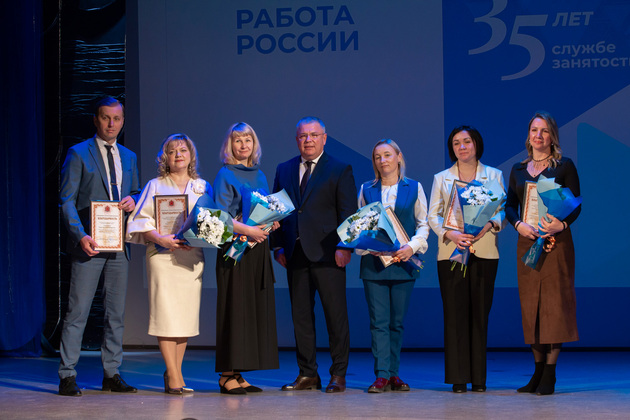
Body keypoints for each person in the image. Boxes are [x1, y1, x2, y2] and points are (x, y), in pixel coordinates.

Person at [58, 96, 140, 396]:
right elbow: (66, 200)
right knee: (78, 311)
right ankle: (67, 374)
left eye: (117, 118)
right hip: (89, 244)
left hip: (118, 245)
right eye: (106, 118)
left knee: (115, 314)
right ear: (96, 120)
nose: (111, 124)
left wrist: (134, 199)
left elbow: (135, 192)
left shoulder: (129, 157)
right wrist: (80, 235)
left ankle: (111, 373)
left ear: (123, 121)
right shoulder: (78, 153)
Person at [272, 116, 357, 393]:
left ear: (324, 138)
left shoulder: (340, 169)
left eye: (313, 135)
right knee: (301, 318)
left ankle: (338, 374)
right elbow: (276, 211)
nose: (308, 140)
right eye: (303, 136)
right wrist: (277, 245)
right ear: (297, 140)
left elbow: (348, 212)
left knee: (335, 317)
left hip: (329, 254)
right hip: (295, 254)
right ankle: (307, 373)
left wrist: (345, 246)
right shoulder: (284, 169)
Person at [126, 133, 209, 394]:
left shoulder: (202, 187)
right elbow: (138, 221)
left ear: (191, 155)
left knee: (183, 318)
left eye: (183, 150)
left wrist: (200, 237)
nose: (178, 155)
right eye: (172, 151)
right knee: (166, 316)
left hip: (191, 259)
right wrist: (160, 238)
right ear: (165, 158)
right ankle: (173, 376)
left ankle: (175, 372)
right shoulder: (155, 185)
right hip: (162, 257)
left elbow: (211, 221)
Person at [505, 111, 581, 396]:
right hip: (528, 242)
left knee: (554, 306)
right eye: (534, 130)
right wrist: (519, 225)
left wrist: (562, 224)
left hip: (555, 244)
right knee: (531, 307)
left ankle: (550, 372)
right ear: (528, 136)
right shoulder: (518, 169)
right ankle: (537, 371)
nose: (539, 135)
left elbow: (575, 203)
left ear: (552, 136)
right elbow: (509, 205)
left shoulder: (564, 166)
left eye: (545, 130)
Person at [428, 125, 505, 393]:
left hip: (484, 251)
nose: (462, 147)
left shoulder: (493, 175)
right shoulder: (441, 178)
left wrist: (489, 225)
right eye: (456, 143)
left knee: (480, 315)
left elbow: (502, 210)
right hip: (451, 252)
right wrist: (451, 233)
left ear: (476, 144)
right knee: (454, 315)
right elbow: (433, 215)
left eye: (467, 141)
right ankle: (458, 378)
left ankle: (479, 378)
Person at [212, 122, 279, 395]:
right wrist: (248, 230)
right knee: (234, 309)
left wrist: (272, 221)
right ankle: (226, 374)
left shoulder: (260, 174)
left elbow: (264, 210)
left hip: (257, 248)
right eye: (238, 140)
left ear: (254, 144)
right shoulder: (225, 174)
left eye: (248, 140)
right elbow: (220, 216)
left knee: (249, 311)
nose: (243, 145)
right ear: (230, 145)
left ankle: (239, 373)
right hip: (235, 249)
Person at [358, 139, 430, 393]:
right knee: (378, 322)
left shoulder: (415, 187)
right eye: (378, 157)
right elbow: (360, 226)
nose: (383, 160)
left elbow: (423, 224)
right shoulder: (366, 189)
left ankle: (393, 374)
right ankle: (381, 375)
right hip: (374, 265)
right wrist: (368, 246)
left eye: (387, 155)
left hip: (403, 263)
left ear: (399, 157)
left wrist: (412, 246)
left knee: (396, 323)